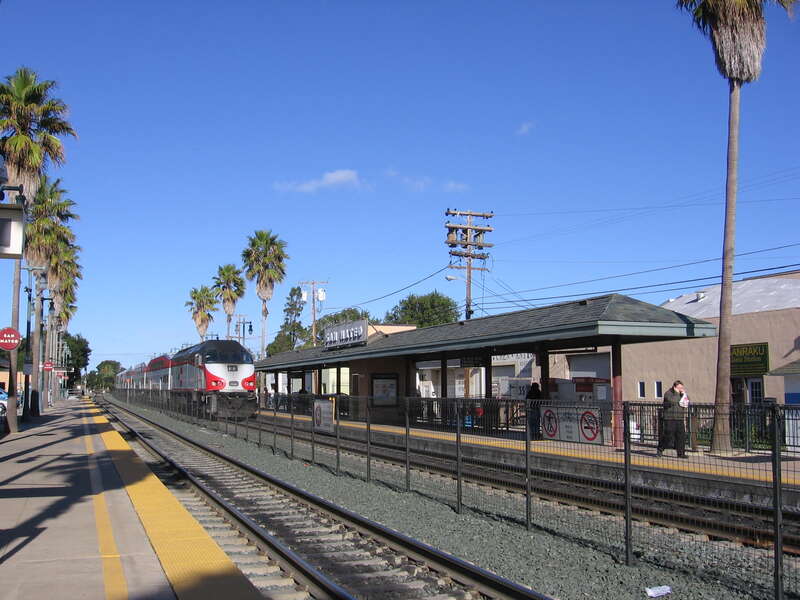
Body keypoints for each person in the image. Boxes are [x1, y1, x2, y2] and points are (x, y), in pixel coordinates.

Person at [658, 380, 689, 458]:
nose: (681, 389)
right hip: (670, 418)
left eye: (682, 387)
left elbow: (687, 401)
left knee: (681, 436)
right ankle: (660, 448)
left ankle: (681, 453)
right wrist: (678, 393)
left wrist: (684, 395)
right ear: (675, 387)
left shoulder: (682, 394)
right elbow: (673, 400)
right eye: (680, 387)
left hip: (679, 418)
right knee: (669, 436)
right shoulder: (668, 393)